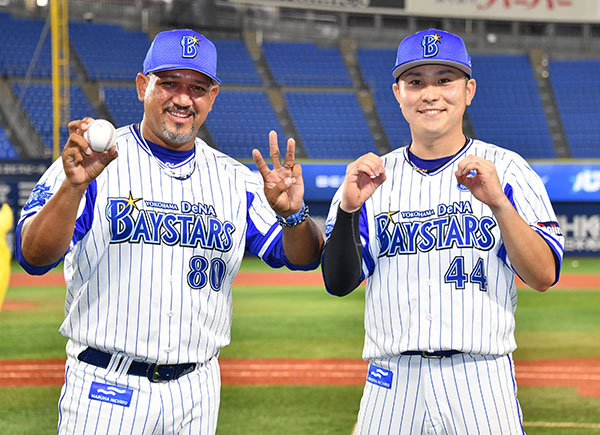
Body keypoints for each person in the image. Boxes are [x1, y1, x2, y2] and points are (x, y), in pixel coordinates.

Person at [16, 29, 323, 434]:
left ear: (212, 97)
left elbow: (304, 257)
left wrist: (293, 215)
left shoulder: (235, 179)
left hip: (197, 391)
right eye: (169, 83)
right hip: (108, 386)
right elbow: (34, 257)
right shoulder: (92, 162)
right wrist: (74, 186)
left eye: (197, 87)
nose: (182, 98)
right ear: (144, 86)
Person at [321, 29, 564, 434]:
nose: (430, 94)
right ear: (398, 93)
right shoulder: (370, 177)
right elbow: (339, 282)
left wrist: (500, 203)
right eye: (416, 82)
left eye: (444, 81)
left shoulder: (509, 169)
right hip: (392, 381)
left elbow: (543, 276)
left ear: (468, 90)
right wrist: (348, 209)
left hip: (481, 378)